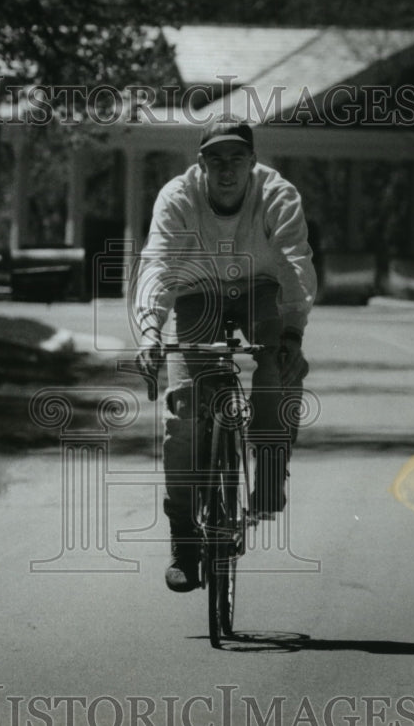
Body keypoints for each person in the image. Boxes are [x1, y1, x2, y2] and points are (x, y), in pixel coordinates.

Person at [133, 115, 317, 592]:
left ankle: (271, 467)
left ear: (253, 162)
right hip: (197, 294)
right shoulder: (178, 198)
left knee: (277, 363)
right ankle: (184, 542)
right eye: (216, 159)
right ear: (202, 164)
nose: (227, 169)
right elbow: (157, 263)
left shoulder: (277, 195)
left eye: (237, 158)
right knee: (185, 413)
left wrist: (293, 333)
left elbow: (295, 262)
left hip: (261, 289)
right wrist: (150, 332)